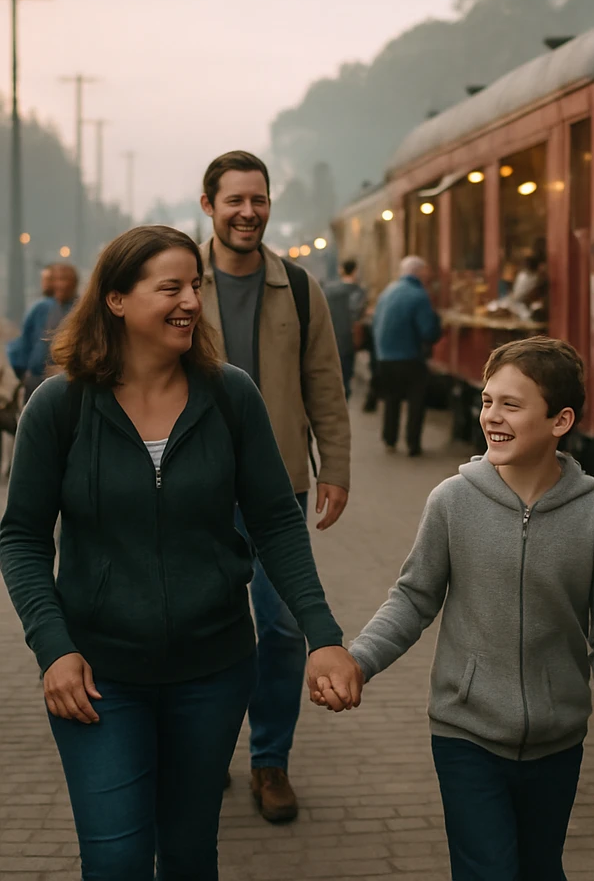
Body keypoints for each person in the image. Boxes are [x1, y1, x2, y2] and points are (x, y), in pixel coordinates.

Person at [0, 225, 362, 881]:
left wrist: (324, 635)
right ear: (116, 300)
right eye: (170, 287)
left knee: (191, 855)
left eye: (194, 285)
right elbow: (21, 537)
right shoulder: (61, 406)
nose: (191, 300)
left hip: (212, 672)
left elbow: (277, 522)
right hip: (97, 680)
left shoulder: (230, 396)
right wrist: (54, 647)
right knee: (116, 860)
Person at [344, 338, 594, 880]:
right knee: (488, 871)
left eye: (511, 404)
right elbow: (412, 599)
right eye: (487, 401)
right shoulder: (452, 501)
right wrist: (358, 660)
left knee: (540, 870)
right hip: (466, 734)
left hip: (558, 741)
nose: (491, 417)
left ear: (561, 420)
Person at [199, 150, 352, 822]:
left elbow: (325, 381)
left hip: (277, 489)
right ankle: (203, 757)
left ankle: (270, 763)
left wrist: (336, 466)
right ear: (209, 205)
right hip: (191, 489)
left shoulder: (296, 284)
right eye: (233, 200)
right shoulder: (180, 279)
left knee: (285, 629)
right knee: (202, 630)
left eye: (256, 199)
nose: (247, 211)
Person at [373, 254, 442, 456]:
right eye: (426, 271)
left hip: (384, 356)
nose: (429, 275)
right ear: (418, 272)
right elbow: (428, 331)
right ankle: (413, 443)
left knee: (391, 399)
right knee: (416, 400)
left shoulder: (387, 291)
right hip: (409, 356)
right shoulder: (419, 295)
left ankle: (390, 439)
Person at [6, 262, 79, 398]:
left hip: (71, 380)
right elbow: (24, 342)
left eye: (65, 279)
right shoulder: (41, 308)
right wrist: (23, 373)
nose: (62, 285)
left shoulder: (81, 308)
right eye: (58, 279)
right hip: (37, 378)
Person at [323, 258, 368, 400]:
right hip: (348, 340)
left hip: (329, 338)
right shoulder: (358, 291)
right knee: (346, 378)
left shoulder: (329, 290)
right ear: (355, 271)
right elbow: (356, 314)